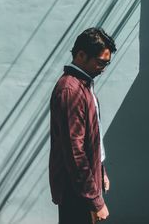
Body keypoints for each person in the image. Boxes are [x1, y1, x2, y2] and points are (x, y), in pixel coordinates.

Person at [49, 27, 117, 224]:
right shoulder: (71, 91)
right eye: (100, 63)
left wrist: (100, 170)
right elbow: (75, 152)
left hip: (83, 187)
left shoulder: (83, 86)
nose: (103, 69)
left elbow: (92, 138)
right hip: (75, 191)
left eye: (107, 64)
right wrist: (95, 201)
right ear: (81, 55)